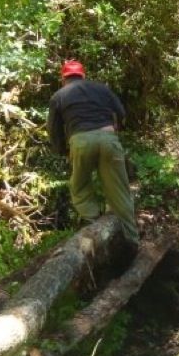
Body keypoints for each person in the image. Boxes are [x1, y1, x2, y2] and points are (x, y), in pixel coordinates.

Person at [48, 60, 140, 245]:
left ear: (64, 78)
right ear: (83, 75)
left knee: (79, 186)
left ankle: (94, 221)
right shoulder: (101, 88)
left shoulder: (58, 96)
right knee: (119, 190)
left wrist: (63, 151)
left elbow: (54, 129)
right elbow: (121, 112)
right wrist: (114, 131)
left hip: (80, 141)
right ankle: (132, 239)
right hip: (108, 138)